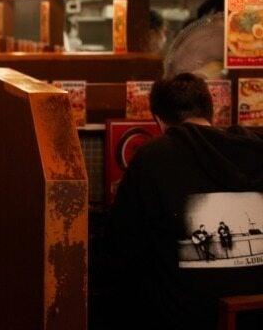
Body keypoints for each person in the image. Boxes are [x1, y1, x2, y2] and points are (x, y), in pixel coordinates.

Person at [106, 73, 263, 330]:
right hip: (253, 314)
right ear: (211, 112)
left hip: (188, 318)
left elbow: (121, 243)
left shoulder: (154, 157)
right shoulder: (255, 150)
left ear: (159, 120)